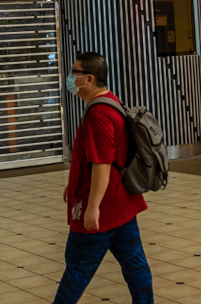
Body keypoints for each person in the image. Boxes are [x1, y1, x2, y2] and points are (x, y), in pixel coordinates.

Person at [53, 52, 154, 304]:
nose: (69, 78)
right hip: (122, 203)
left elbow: (103, 162)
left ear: (89, 78)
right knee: (135, 267)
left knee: (76, 270)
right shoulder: (110, 101)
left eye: (73, 73)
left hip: (103, 209)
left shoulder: (98, 113)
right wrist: (73, 183)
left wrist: (93, 207)